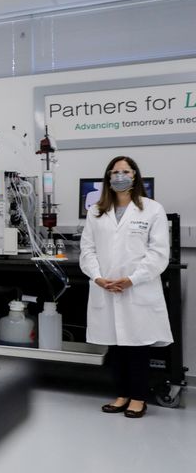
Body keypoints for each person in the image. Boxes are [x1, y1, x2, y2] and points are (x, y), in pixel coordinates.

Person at [79, 156, 172, 418]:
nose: (120, 176)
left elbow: (158, 254)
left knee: (137, 346)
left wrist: (132, 279)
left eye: (125, 171)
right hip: (105, 287)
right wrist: (98, 277)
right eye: (115, 171)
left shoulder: (152, 209)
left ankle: (139, 398)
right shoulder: (96, 211)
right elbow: (88, 250)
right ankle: (121, 395)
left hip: (137, 288)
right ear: (108, 177)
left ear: (135, 176)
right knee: (116, 346)